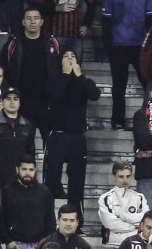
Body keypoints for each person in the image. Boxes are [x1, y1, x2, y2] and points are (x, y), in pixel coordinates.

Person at [45, 50, 100, 223]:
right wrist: (65, 75)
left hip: (77, 137)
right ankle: (46, 219)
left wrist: (79, 75)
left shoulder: (84, 81)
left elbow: (95, 95)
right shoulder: (54, 79)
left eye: (73, 57)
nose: (69, 59)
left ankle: (77, 221)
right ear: (60, 61)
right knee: (51, 178)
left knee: (77, 182)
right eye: (66, 57)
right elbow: (54, 96)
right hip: (58, 135)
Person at [105, 0, 152, 129]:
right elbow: (106, 23)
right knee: (119, 85)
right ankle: (117, 121)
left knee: (148, 82)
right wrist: (109, 47)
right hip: (118, 47)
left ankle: (150, 119)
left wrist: (150, 46)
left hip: (140, 47)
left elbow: (151, 22)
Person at [0, 7, 61, 142]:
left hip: (46, 102)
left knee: (50, 144)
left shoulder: (52, 43)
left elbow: (60, 71)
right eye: (28, 18)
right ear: (23, 22)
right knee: (25, 144)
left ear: (42, 22)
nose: (32, 22)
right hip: (22, 102)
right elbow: (3, 70)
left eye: (36, 18)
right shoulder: (13, 44)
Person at [4, 157, 56, 249]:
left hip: (40, 244)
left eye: (31, 169)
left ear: (35, 170)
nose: (28, 173)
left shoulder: (44, 191)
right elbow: (1, 218)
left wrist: (45, 241)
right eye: (24, 169)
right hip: (15, 244)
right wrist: (8, 240)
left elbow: (51, 220)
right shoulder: (7, 191)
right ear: (17, 169)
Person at [99, 163, 150, 247]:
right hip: (113, 244)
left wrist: (122, 216)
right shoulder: (105, 198)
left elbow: (146, 220)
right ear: (114, 177)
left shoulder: (140, 197)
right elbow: (110, 224)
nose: (125, 180)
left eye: (128, 176)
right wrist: (134, 226)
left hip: (135, 245)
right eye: (121, 177)